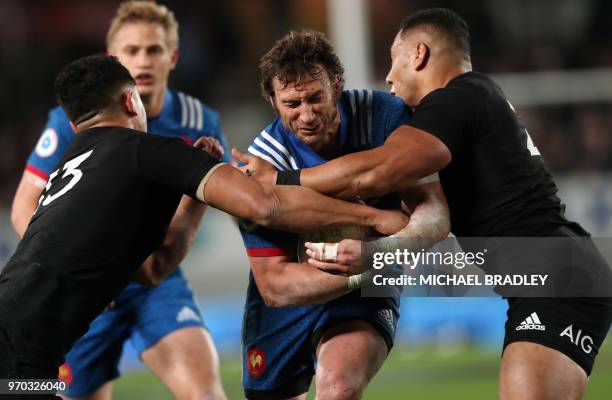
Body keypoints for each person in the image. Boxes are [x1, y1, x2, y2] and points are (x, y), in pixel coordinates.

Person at [239, 9, 612, 400]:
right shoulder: (473, 96)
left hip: (554, 279)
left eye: (394, 58)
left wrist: (280, 181)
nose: (388, 76)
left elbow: (376, 173)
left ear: (418, 55)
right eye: (292, 103)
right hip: (550, 275)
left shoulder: (454, 102)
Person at [0, 55, 408, 398]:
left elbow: (150, 271)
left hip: (20, 358)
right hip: (19, 356)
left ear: (75, 126)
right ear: (130, 101)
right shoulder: (147, 152)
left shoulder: (68, 167)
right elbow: (265, 205)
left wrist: (191, 202)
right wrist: (374, 218)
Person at [10, 2, 230, 399]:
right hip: (86, 293)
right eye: (132, 51)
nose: (142, 60)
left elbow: (234, 200)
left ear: (173, 56)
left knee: (205, 393)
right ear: (115, 58)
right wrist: (76, 266)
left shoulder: (200, 120)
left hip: (154, 287)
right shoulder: (74, 117)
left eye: (154, 49)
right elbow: (24, 206)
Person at [231, 30, 449, 400]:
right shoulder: (262, 162)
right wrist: (368, 264)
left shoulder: (386, 118)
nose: (307, 114)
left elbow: (434, 214)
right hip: (298, 292)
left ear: (337, 84)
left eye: (315, 97)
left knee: (339, 386)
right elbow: (275, 287)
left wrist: (386, 252)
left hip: (363, 291)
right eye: (291, 103)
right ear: (272, 101)